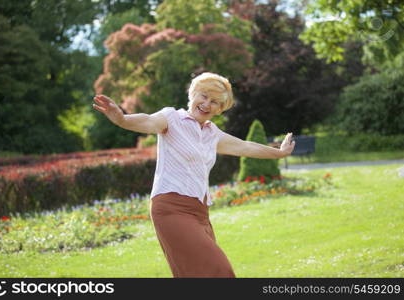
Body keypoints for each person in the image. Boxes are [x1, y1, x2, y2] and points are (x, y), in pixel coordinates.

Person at [92, 72, 295, 278]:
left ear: (220, 109)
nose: (207, 104)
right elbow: (147, 121)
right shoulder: (171, 118)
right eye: (204, 96)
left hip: (200, 213)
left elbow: (246, 146)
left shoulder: (212, 133)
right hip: (171, 208)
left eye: (215, 102)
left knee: (197, 274)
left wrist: (279, 152)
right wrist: (121, 118)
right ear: (193, 94)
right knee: (218, 270)